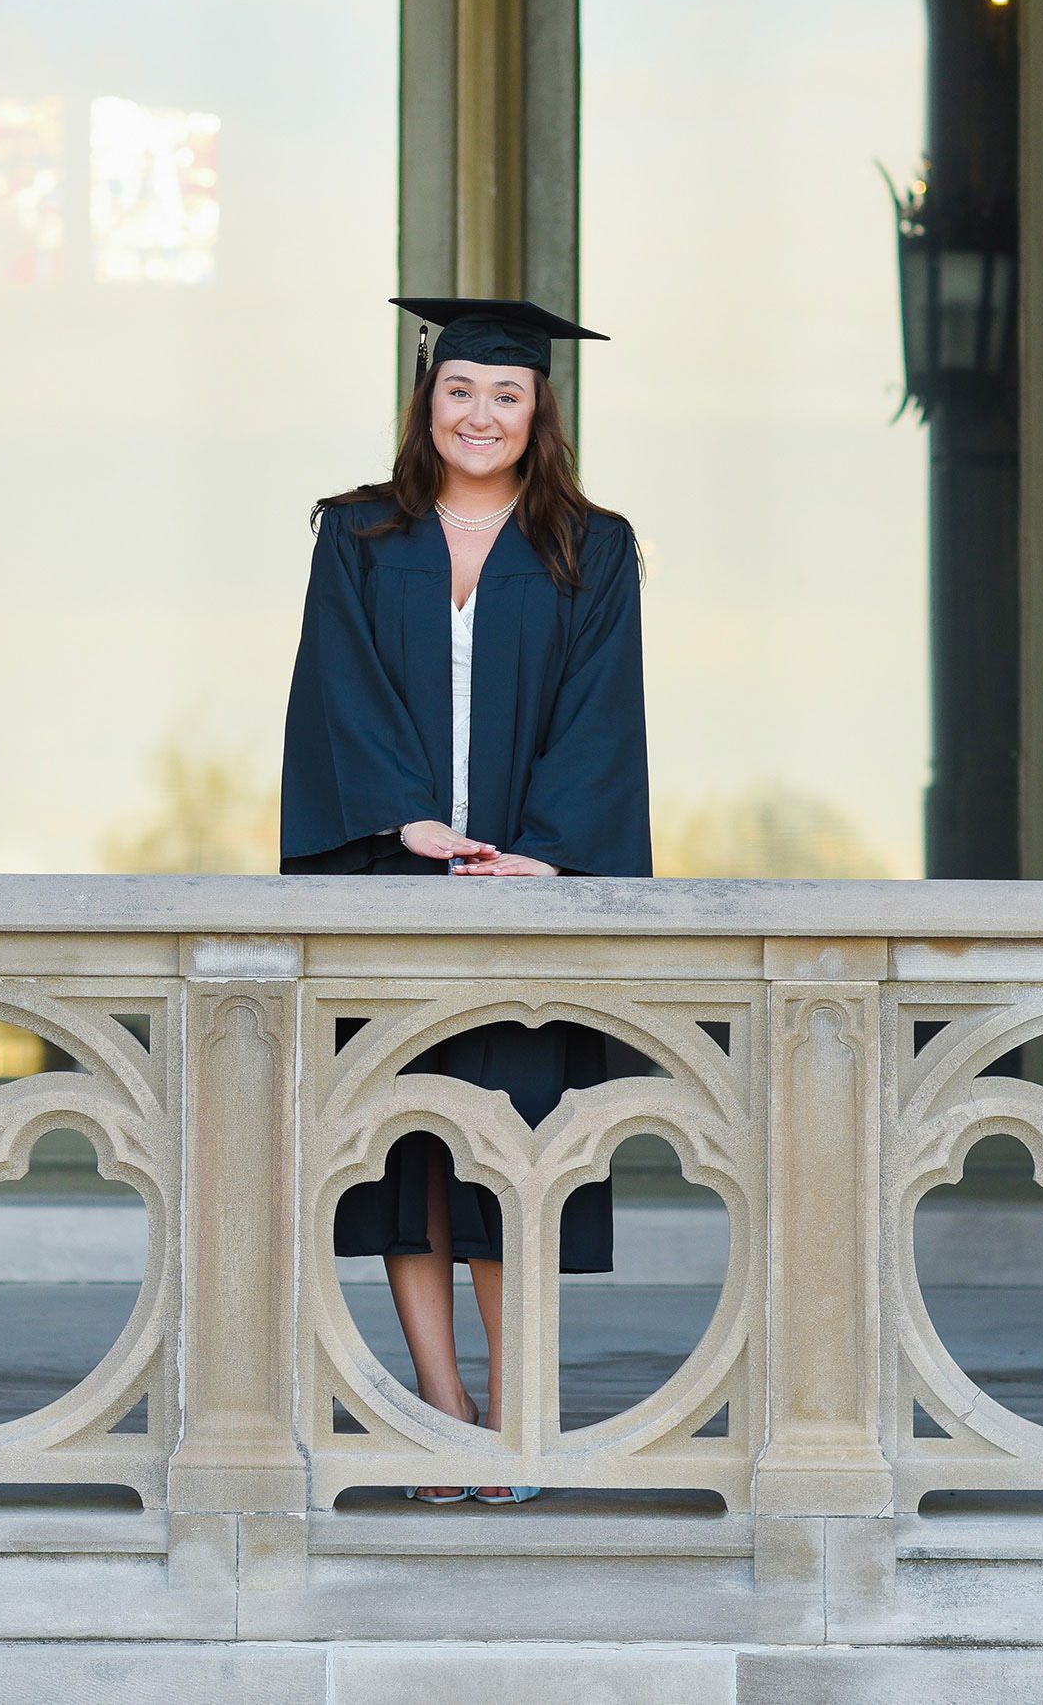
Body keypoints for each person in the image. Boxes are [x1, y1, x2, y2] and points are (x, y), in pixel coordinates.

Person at [280, 296, 651, 1503]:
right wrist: (406, 819)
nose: (479, 413)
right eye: (459, 391)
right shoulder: (358, 536)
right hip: (394, 883)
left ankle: (520, 1411)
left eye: (505, 395)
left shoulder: (591, 548)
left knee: (516, 1149)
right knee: (411, 1158)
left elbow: (603, 713)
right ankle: (445, 1411)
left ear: (538, 410)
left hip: (529, 898)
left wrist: (548, 849)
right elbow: (336, 687)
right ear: (426, 401)